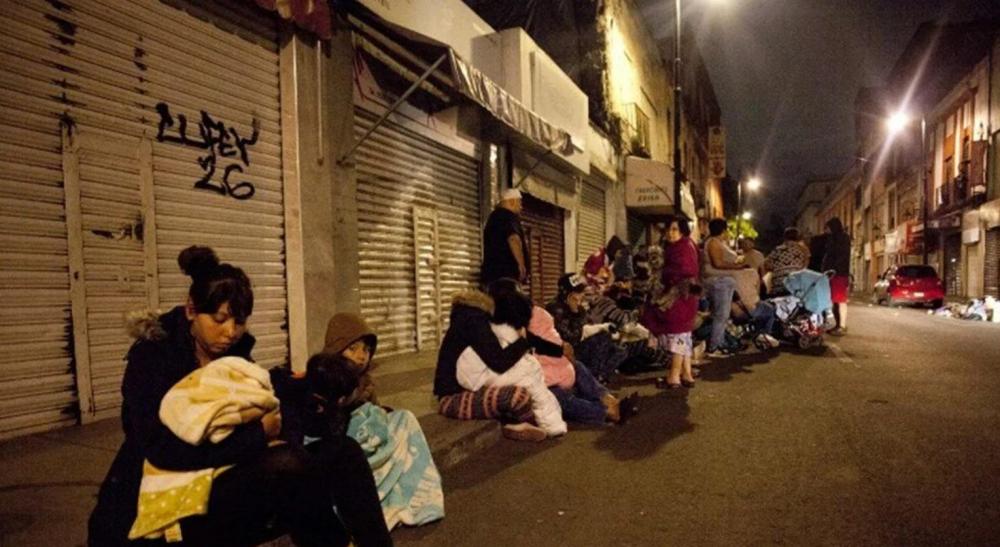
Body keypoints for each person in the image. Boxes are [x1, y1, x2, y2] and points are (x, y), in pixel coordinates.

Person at [88, 246, 391, 547]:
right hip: (165, 502)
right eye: (219, 319)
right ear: (191, 310)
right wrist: (259, 435)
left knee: (344, 453)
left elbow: (273, 413)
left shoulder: (236, 355)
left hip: (225, 477)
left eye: (240, 321)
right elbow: (163, 450)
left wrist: (314, 401)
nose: (231, 332)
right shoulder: (153, 358)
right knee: (289, 466)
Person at [306, 313, 444, 530]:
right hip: (344, 451)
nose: (361, 356)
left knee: (404, 418)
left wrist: (379, 415)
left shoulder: (365, 382)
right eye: (353, 348)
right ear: (336, 348)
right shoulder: (324, 379)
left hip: (370, 445)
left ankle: (413, 495)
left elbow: (375, 415)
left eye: (366, 350)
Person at [434, 285, 547, 441]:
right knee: (517, 396)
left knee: (528, 386)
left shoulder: (472, 316)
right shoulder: (474, 319)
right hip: (452, 399)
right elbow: (499, 361)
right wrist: (522, 341)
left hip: (468, 390)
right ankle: (525, 423)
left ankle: (520, 423)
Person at [527, 306, 637, 425]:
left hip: (556, 362)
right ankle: (607, 412)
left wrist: (576, 314)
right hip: (540, 378)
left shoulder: (541, 318)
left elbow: (556, 338)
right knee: (555, 395)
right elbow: (569, 336)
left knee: (578, 365)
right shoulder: (557, 308)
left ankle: (610, 400)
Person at [642, 215, 701, 387]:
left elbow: (684, 270)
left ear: (682, 230)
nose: (670, 233)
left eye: (675, 229)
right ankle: (686, 374)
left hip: (679, 297)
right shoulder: (685, 245)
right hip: (685, 297)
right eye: (668, 229)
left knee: (677, 335)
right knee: (684, 334)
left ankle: (674, 377)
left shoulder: (681, 248)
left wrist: (665, 275)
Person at [546, 273, 627, 382]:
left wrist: (605, 328)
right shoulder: (555, 309)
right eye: (578, 292)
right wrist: (575, 312)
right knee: (602, 338)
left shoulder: (579, 308)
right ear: (567, 294)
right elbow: (571, 338)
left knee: (620, 350)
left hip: (579, 346)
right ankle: (592, 379)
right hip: (563, 353)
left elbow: (587, 326)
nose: (582, 295)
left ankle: (598, 377)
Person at [702, 218, 752, 357]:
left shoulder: (718, 242)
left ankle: (720, 342)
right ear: (723, 230)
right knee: (721, 314)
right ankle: (715, 346)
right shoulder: (713, 243)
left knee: (721, 314)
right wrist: (737, 266)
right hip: (719, 281)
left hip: (723, 281)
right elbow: (718, 263)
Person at [481, 188, 529, 286]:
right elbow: (513, 239)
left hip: (493, 276)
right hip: (507, 275)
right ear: (512, 201)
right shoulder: (508, 216)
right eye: (519, 202)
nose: (521, 207)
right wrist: (521, 265)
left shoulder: (494, 217)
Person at [822, 217, 852, 335]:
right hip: (837, 273)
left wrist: (832, 269)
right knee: (836, 301)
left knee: (839, 300)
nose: (826, 231)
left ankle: (841, 326)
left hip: (838, 274)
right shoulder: (838, 238)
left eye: (828, 228)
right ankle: (839, 325)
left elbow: (838, 256)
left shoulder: (840, 239)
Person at [764, 227, 811, 296]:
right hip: (796, 286)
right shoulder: (804, 250)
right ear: (798, 238)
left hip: (778, 286)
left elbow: (767, 265)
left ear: (785, 237)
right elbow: (805, 267)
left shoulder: (777, 249)